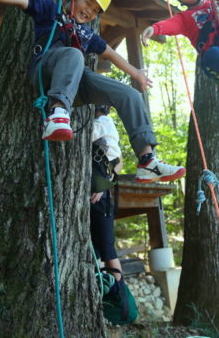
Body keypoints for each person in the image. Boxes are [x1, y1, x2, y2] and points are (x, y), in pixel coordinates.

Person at [0, 0, 185, 184]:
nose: (89, 11)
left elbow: (111, 54)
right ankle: (57, 113)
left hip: (74, 82)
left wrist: (136, 73)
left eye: (95, 11)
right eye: (88, 3)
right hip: (45, 69)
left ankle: (147, 161)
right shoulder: (49, 10)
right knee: (74, 54)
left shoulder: (87, 33)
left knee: (130, 94)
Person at [90, 105, 136, 323]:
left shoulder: (101, 124)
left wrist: (101, 185)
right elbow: (118, 163)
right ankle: (105, 293)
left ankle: (118, 296)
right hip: (102, 194)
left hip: (102, 196)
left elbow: (117, 163)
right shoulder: (106, 126)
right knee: (98, 247)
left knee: (106, 247)